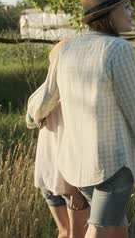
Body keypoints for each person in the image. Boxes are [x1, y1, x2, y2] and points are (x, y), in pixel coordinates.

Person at [29, 0, 135, 238]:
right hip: (113, 165)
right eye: (126, 7)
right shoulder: (117, 49)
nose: (132, 13)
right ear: (108, 14)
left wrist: (34, 116)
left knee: (118, 227)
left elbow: (45, 98)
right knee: (99, 229)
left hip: (77, 165)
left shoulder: (69, 49)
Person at [27, 40, 90, 238]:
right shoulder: (76, 97)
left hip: (47, 175)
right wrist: (75, 190)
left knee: (64, 232)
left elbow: (30, 121)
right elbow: (71, 143)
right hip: (68, 180)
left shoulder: (41, 95)